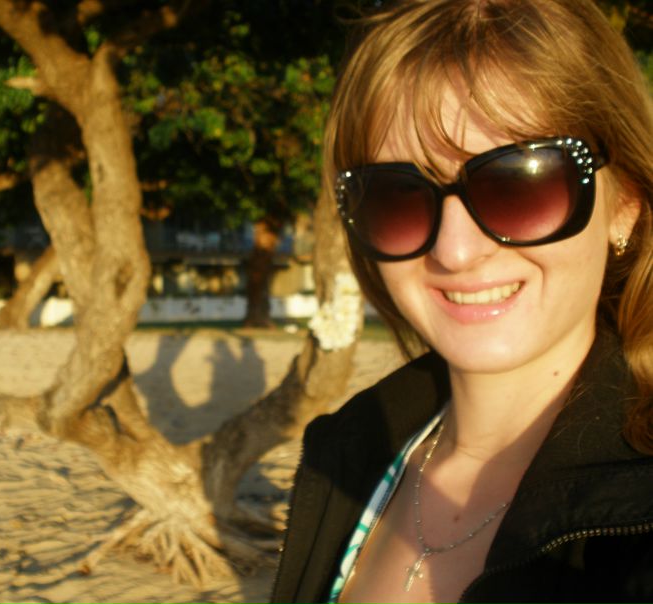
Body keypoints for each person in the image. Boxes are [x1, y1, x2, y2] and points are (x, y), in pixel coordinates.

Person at [270, 0, 653, 602]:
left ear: (625, 203)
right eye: (396, 196)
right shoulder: (346, 453)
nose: (455, 251)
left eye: (521, 183)